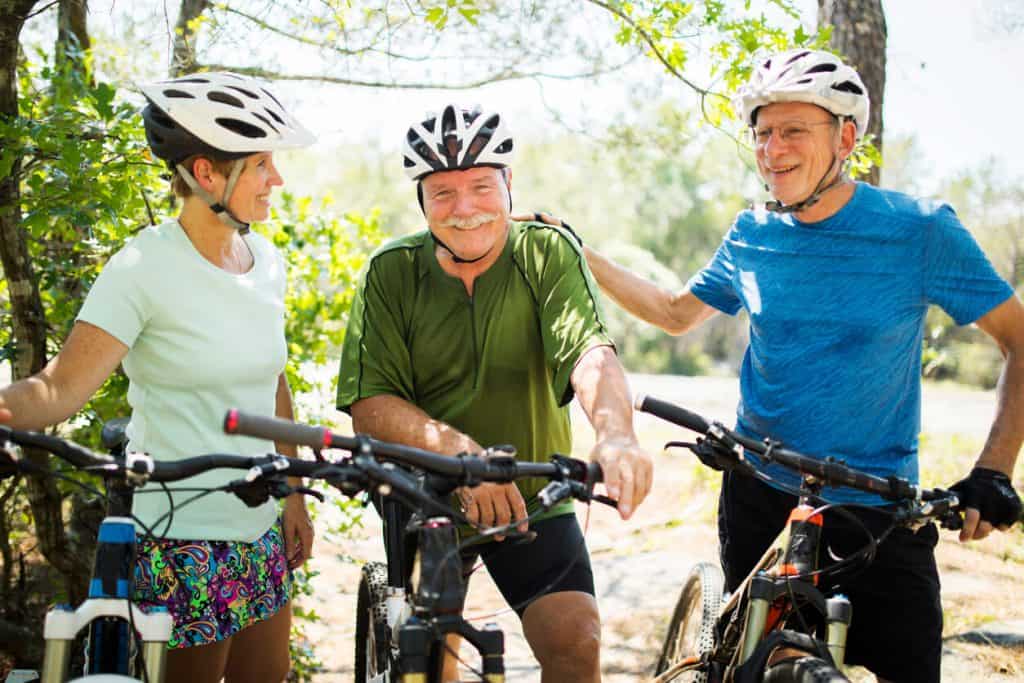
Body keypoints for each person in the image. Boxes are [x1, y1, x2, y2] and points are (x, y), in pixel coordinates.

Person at [530, 49, 1024, 683]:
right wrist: (578, 248)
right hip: (761, 496)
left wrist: (993, 470)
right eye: (762, 132)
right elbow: (676, 312)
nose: (772, 149)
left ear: (846, 137)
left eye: (794, 130)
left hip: (878, 507)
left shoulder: (920, 232)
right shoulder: (751, 233)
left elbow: (1018, 339)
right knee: (755, 670)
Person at [0, 72, 316, 683]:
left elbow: (273, 383)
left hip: (260, 524)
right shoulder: (141, 269)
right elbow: (59, 389)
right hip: (183, 535)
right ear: (205, 174)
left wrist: (295, 494)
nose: (275, 179)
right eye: (259, 164)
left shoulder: (266, 262)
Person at [336, 104, 653, 682]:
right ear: (421, 202)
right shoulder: (390, 271)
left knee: (575, 639)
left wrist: (616, 433)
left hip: (530, 490)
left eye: (481, 186)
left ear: (509, 186)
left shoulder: (547, 252)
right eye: (442, 193)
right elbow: (370, 404)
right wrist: (466, 458)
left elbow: (588, 351)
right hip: (425, 493)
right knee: (429, 657)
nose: (464, 209)